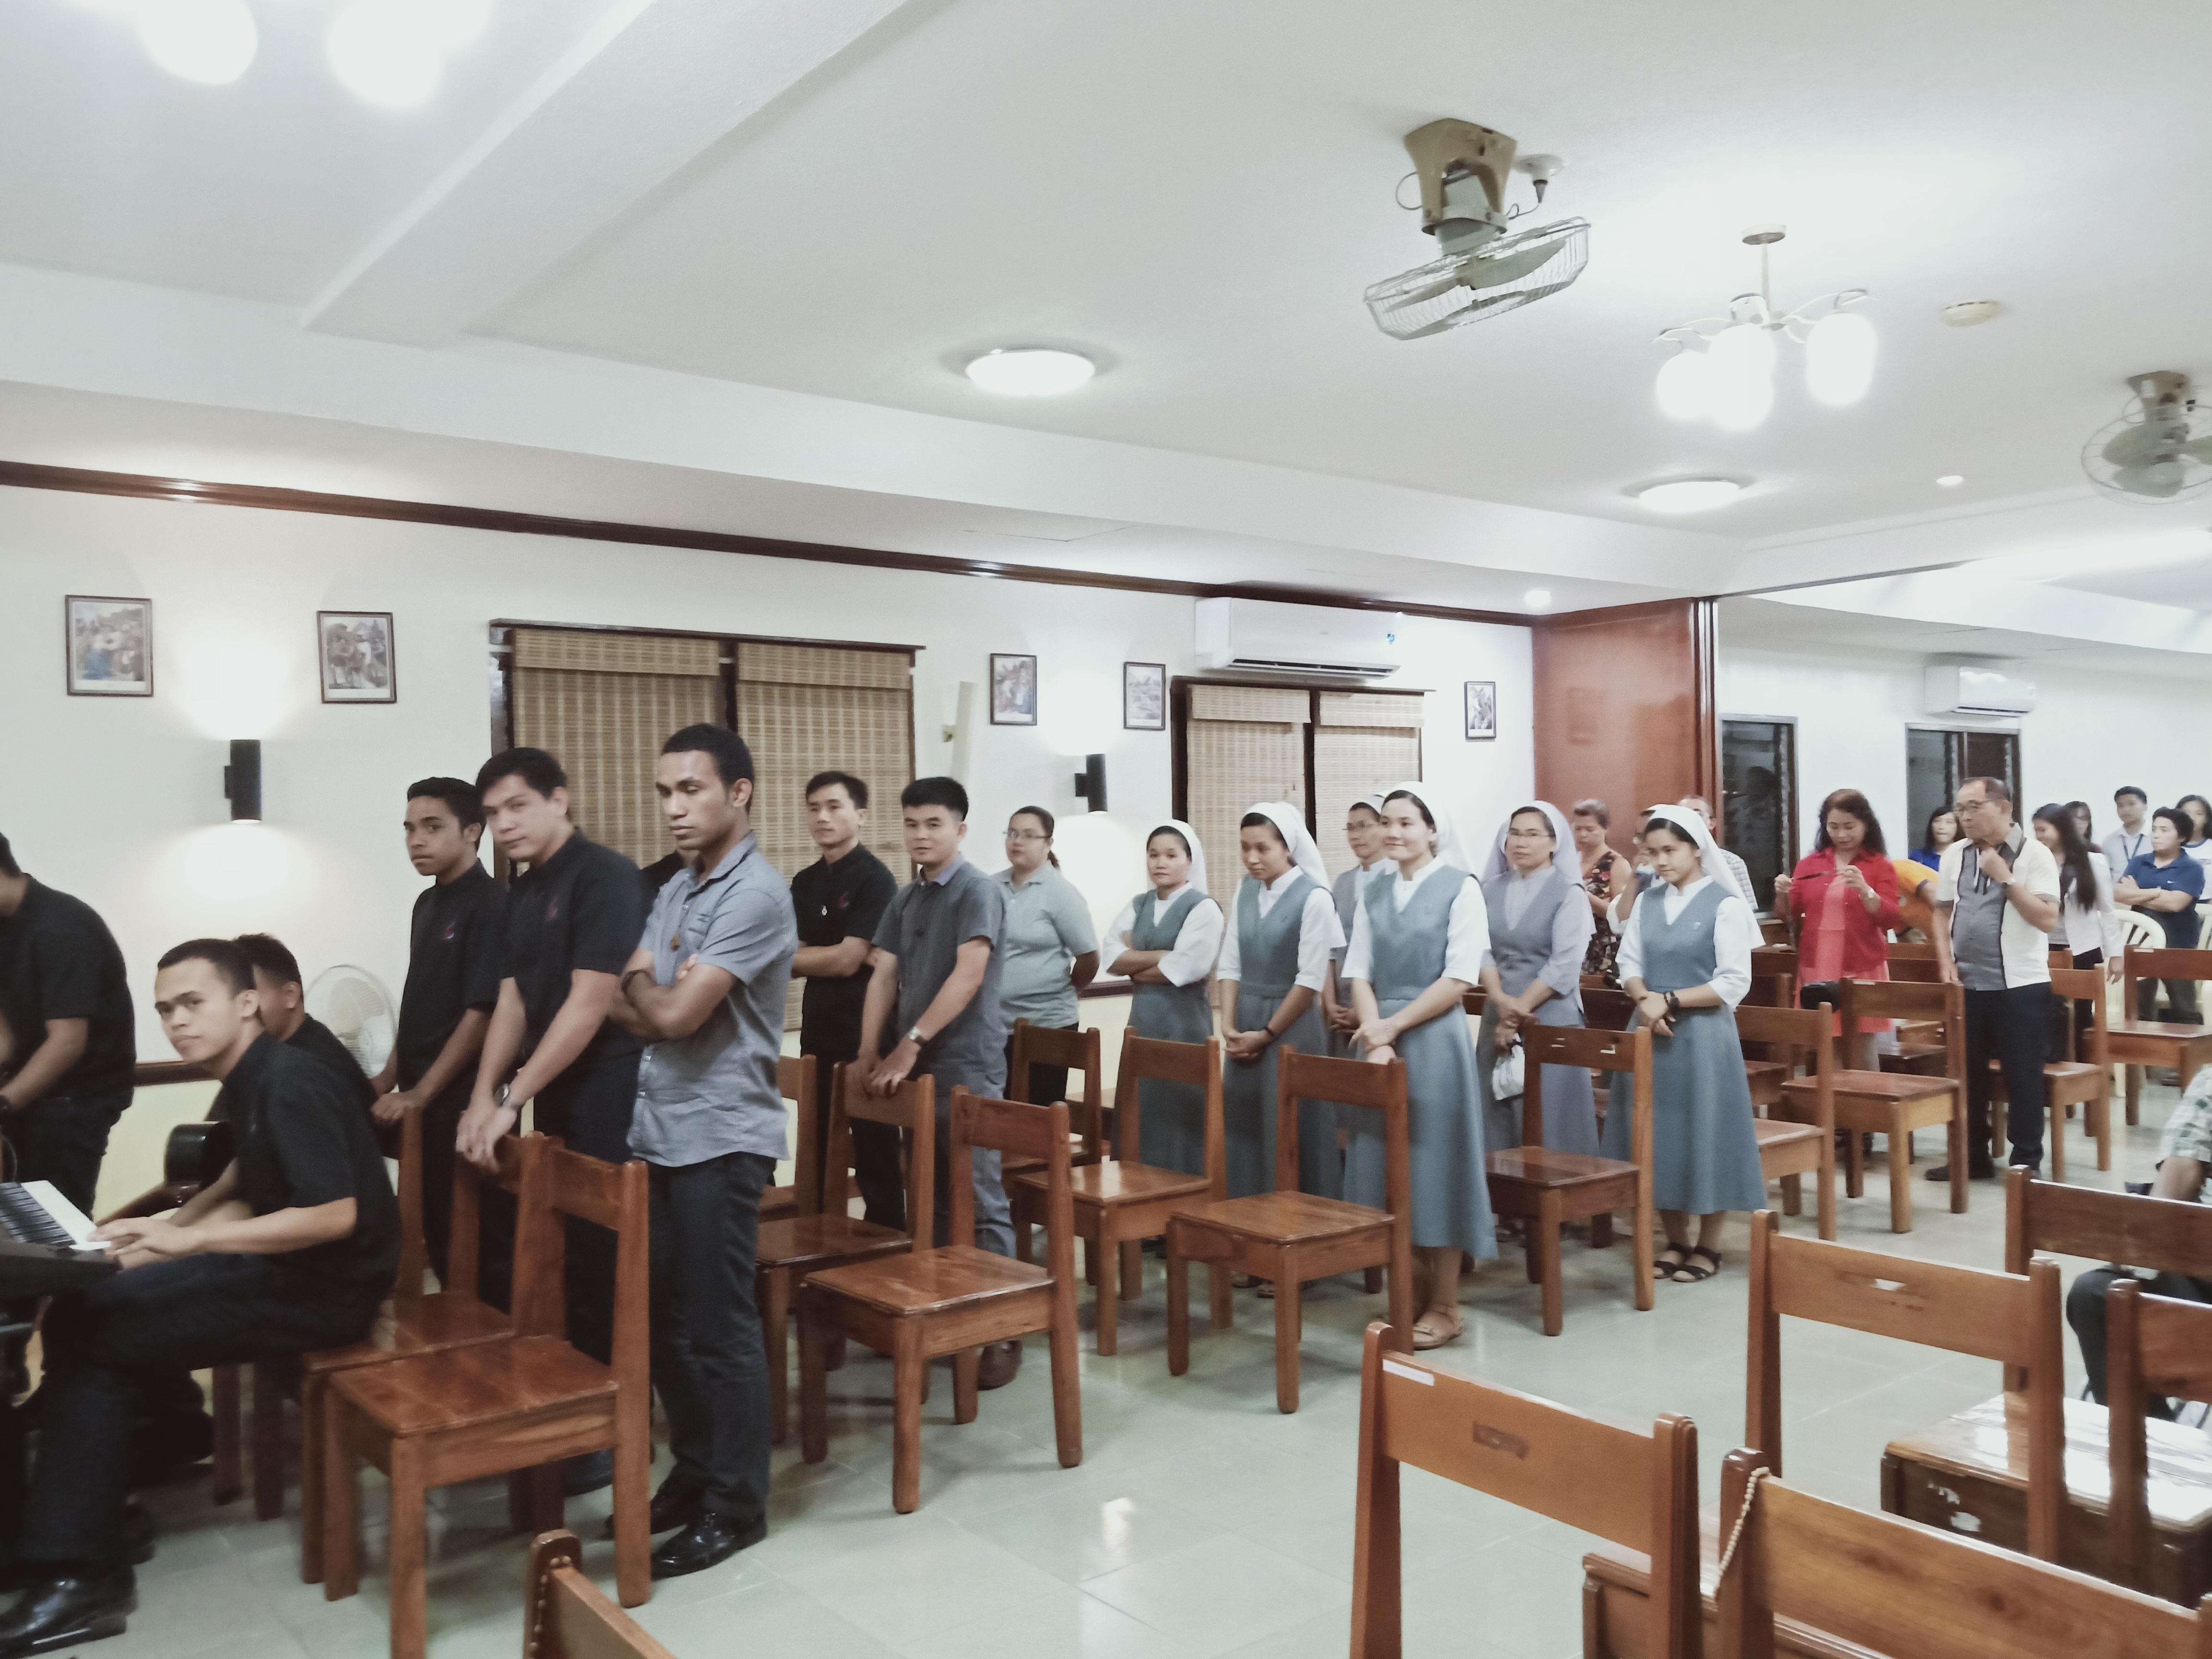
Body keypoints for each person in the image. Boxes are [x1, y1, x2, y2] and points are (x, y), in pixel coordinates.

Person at [0, 939, 397, 1656]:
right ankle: (105, 1502)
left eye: (192, 1003)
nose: (176, 1021)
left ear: (247, 1004)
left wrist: (194, 1243)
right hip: (288, 1273)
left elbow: (335, 1215)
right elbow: (246, 1171)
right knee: (91, 1303)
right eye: (165, 1010)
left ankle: (81, 1573)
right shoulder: (254, 1073)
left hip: (327, 1291)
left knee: (104, 1335)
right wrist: (160, 1232)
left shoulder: (294, 1079)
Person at [609, 726, 795, 1578]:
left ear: (739, 792)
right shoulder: (680, 887)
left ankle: (736, 1504)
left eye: (691, 789)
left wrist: (650, 991)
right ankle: (695, 1471)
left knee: (721, 1328)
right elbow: (632, 998)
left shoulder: (755, 894)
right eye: (665, 793)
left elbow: (675, 1016)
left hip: (722, 1136)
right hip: (661, 1131)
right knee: (664, 1321)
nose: (675, 808)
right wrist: (650, 990)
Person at [457, 747, 645, 1491]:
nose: (504, 825)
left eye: (518, 807)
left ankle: (613, 1430)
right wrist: (484, 1096)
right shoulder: (522, 890)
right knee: (562, 1260)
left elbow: (589, 1003)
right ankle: (574, 1416)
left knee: (607, 1260)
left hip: (613, 1089)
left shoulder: (605, 877)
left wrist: (511, 1100)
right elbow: (513, 999)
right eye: (493, 814)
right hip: (555, 1090)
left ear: (559, 800)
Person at [854, 777, 1022, 1389]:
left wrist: (910, 1042)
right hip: (915, 1069)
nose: (920, 835)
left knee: (979, 1194)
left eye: (934, 824)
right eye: (911, 824)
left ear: (960, 829)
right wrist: (869, 1048)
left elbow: (969, 975)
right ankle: (947, 1312)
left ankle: (1002, 1329)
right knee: (928, 1195)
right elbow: (883, 975)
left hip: (966, 1063)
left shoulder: (978, 890)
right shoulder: (907, 898)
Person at [1343, 785, 1491, 1348]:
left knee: (1437, 1168)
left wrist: (1392, 1027)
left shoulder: (1461, 887)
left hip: (1434, 1041)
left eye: (1407, 822)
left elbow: (1459, 978)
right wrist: (1375, 1037)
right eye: (1387, 822)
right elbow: (1359, 971)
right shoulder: (1374, 889)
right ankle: (1405, 1296)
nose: (1393, 832)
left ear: (1433, 830)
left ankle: (1447, 1305)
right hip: (1380, 1040)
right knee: (1388, 1168)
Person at [1597, 806, 1766, 1283]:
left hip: (1703, 1036)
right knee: (1659, 1136)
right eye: (1653, 852)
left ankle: (1709, 1245)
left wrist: (1668, 1000)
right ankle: (1675, 1240)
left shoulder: (1724, 905)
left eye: (1670, 850)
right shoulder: (1648, 902)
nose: (1661, 861)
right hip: (1651, 1031)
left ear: (1696, 848)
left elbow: (1733, 981)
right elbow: (1629, 964)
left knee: (1706, 1134)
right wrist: (1646, 1001)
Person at [369, 779, 506, 1281]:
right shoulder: (426, 906)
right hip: (419, 1097)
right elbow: (418, 1006)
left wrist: (422, 1093)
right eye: (409, 829)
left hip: (462, 1099)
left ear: (473, 831)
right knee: (432, 1227)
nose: (417, 841)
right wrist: (389, 1078)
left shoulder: (492, 904)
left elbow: (482, 1013)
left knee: (472, 1241)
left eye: (432, 827)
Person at [1928, 776, 2062, 1181]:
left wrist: (2006, 879)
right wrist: (1945, 961)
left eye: (1974, 807)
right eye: (1960, 809)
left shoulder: (2035, 855)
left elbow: (2047, 919)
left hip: (2020, 986)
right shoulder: (1956, 854)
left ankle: (2026, 1162)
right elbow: (1941, 911)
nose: (1965, 817)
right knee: (1967, 1075)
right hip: (1967, 984)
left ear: (2003, 807)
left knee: (2022, 1075)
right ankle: (1972, 1156)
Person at [0, 833, 135, 1219]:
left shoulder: (62, 925)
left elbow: (67, 1042)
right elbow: (6, 1033)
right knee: (18, 1222)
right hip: (33, 1095)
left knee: (57, 1224)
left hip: (78, 1099)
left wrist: (5, 1102)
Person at [788, 772, 901, 1226]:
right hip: (818, 1028)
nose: (823, 817)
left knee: (876, 1150)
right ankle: (816, 1240)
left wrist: (827, 957)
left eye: (834, 807)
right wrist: (832, 956)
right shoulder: (805, 881)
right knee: (815, 1144)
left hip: (866, 1031)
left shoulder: (876, 879)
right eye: (814, 808)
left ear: (861, 816)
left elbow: (847, 962)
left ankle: (889, 1241)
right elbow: (788, 959)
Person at [1216, 804, 1344, 1202]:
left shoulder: (1314, 897)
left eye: (1263, 849)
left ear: (1287, 847)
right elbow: (1231, 963)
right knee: (1245, 1125)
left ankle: (1298, 1217)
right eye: (1245, 848)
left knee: (1292, 1126)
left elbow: (1309, 980)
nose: (1252, 858)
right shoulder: (1245, 890)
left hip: (1293, 1027)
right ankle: (1246, 1217)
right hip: (1246, 1023)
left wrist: (1267, 1034)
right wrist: (1228, 1025)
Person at [2064, 1071, 2211, 1417]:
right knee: (2095, 1295)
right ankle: (2148, 1442)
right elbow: (2175, 1179)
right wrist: (2144, 1244)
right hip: (2201, 1268)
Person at [1476, 802, 1597, 1157]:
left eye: (1532, 834)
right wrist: (1500, 1000)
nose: (1521, 842)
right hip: (1497, 1011)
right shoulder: (1490, 889)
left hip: (1549, 1015)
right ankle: (1503, 1191)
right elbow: (1481, 950)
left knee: (1549, 1116)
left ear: (1554, 842)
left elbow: (1564, 964)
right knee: (1496, 1113)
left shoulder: (1569, 892)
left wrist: (1515, 1015)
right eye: (1514, 834)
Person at [1104, 822, 1223, 1176]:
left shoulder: (1204, 908)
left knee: (1180, 1108)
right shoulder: (1138, 904)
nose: (1161, 863)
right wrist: (1162, 956)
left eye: (1171, 855)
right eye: (1154, 855)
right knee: (1141, 1105)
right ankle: (1135, 1190)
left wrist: (1136, 965)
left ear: (1190, 860)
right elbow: (1111, 958)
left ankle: (1185, 1191)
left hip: (1184, 1023)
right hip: (1142, 1021)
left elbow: (1186, 969)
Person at [1772, 790, 1901, 1063]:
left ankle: (1867, 1092)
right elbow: (1789, 915)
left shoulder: (1879, 866)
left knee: (1862, 1042)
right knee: (1826, 1042)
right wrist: (1782, 893)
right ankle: (1831, 1092)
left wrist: (1866, 891)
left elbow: (1890, 919)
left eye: (1849, 827)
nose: (1841, 835)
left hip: (1862, 964)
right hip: (1818, 963)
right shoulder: (1811, 864)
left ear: (1866, 824)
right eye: (1833, 827)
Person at [995, 806, 1099, 1108]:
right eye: (1012, 833)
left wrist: (1069, 988)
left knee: (1039, 1113)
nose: (1018, 841)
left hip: (1048, 1022)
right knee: (999, 1111)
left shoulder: (1061, 893)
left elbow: (1089, 957)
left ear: (1048, 843)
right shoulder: (990, 887)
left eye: (1029, 835)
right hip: (997, 1022)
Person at [231, 935, 378, 1119]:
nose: (240, 1009)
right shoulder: (276, 1054)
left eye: (249, 997)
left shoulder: (305, 1070)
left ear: (290, 995)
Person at [2116, 806, 2206, 1025]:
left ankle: (2190, 1046)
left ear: (2181, 837)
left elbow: (2175, 904)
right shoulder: (2139, 862)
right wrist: (2157, 892)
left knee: (2184, 1009)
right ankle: (2141, 1047)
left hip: (2177, 944)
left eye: (2165, 830)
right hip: (2140, 944)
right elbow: (2119, 894)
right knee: (2139, 1007)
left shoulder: (2191, 867)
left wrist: (2138, 893)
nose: (2156, 835)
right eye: (2155, 829)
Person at [1322, 797, 1389, 1046]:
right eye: (1350, 828)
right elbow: (1330, 949)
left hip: (1382, 1007)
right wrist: (1330, 1003)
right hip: (1340, 1006)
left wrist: (1361, 1010)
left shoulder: (1397, 880)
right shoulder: (1342, 883)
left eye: (1363, 826)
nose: (1355, 835)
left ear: (1385, 827)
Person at [1571, 799, 1629, 984]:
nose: (1583, 834)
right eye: (1578, 829)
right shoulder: (1568, 861)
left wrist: (1583, 896)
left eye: (1590, 829)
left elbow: (1621, 916)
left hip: (1602, 947)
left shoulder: (1617, 864)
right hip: (1572, 943)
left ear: (1605, 829)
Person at [1678, 796, 1756, 910]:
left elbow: (1748, 912)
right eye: (1683, 815)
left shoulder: (1731, 863)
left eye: (1698, 814)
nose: (1690, 819)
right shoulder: (1665, 863)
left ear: (1712, 823)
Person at [2104, 786, 2151, 877]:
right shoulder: (2110, 841)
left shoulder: (2156, 837)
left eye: (2131, 804)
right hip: (2117, 886)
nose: (2125, 809)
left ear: (2145, 806)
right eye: (2120, 805)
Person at [1913, 807, 1960, 871]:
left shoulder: (1965, 857)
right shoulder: (1918, 857)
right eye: (1937, 821)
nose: (1942, 827)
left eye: (1949, 822)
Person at [2180, 794, 2212, 872]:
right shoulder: (2169, 847)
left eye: (2199, 814)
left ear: (2207, 818)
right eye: (2186, 813)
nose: (2192, 818)